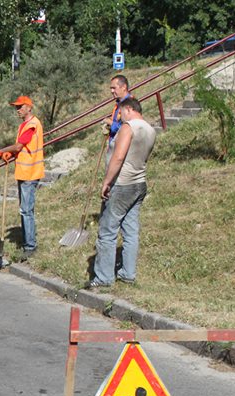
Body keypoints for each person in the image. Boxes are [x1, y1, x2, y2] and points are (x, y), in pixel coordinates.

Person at [88, 98, 156, 288]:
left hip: (121, 184)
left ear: (128, 109)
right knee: (131, 231)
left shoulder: (128, 127)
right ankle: (128, 273)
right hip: (139, 183)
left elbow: (118, 157)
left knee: (107, 231)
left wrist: (107, 182)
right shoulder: (150, 130)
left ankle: (103, 278)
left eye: (120, 113)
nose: (119, 117)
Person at [0, 95, 44, 259]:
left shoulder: (31, 125)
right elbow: (22, 149)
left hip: (30, 174)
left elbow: (19, 145)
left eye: (20, 107)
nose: (18, 110)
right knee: (25, 209)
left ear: (29, 107)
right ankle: (27, 243)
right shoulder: (25, 125)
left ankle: (30, 246)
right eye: (16, 107)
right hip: (24, 172)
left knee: (26, 210)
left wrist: (3, 150)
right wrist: (11, 154)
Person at [105, 75, 133, 161]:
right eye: (110, 88)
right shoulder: (119, 103)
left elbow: (128, 128)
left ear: (124, 87)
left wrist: (110, 123)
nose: (111, 91)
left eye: (114, 88)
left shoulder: (130, 105)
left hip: (123, 152)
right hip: (115, 147)